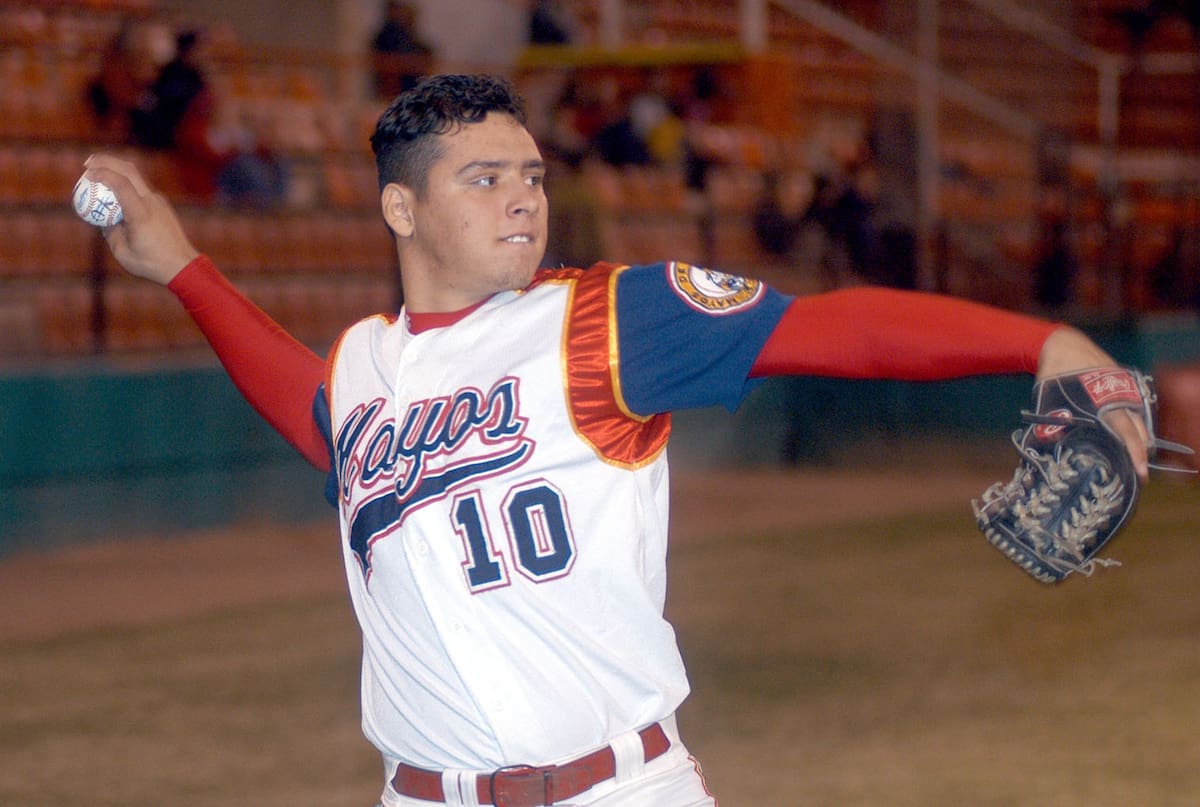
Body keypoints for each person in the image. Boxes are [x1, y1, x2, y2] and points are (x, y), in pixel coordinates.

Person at [85, 74, 1151, 807]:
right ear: (400, 210)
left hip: (617, 785)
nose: (522, 202)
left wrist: (1047, 343)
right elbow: (322, 423)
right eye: (484, 178)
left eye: (532, 176)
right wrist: (184, 267)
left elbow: (838, 328)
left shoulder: (609, 319)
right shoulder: (365, 360)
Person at [370, 1, 433, 99]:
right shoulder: (389, 34)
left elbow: (421, 50)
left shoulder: (406, 34)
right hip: (396, 83)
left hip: (409, 82)